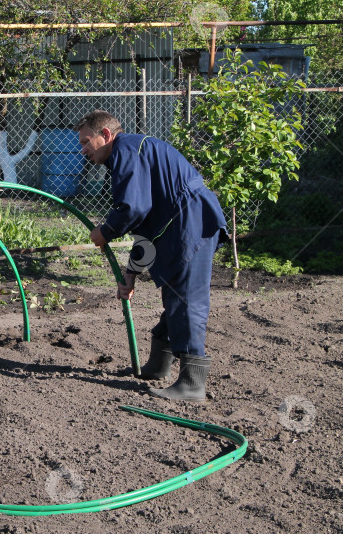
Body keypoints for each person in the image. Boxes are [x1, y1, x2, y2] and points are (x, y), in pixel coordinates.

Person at [74, 110, 228, 403]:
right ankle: (159, 366)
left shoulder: (127, 151)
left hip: (191, 223)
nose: (83, 150)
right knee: (176, 296)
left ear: (106, 135)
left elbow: (133, 209)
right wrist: (131, 275)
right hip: (179, 226)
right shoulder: (130, 154)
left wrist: (104, 231)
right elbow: (144, 226)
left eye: (85, 141)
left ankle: (192, 384)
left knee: (186, 300)